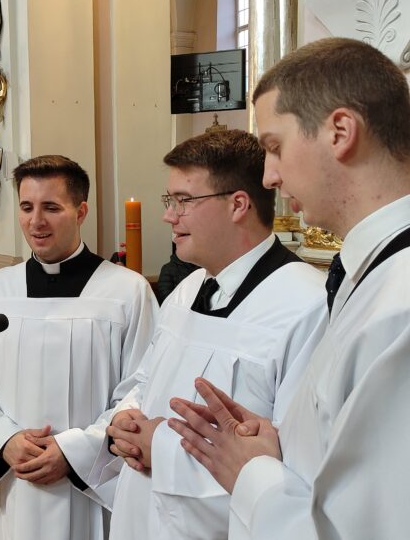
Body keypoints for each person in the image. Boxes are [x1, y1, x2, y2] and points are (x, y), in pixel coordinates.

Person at [167, 37, 410, 540]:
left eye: (275, 147)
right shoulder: (385, 279)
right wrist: (283, 445)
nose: (269, 176)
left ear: (340, 132)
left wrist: (251, 474)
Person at [101, 130, 327, 540]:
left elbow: (294, 465)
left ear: (238, 204)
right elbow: (145, 381)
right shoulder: (187, 290)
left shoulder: (306, 305)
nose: (169, 216)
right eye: (169, 201)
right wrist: (125, 419)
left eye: (183, 201)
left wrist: (161, 449)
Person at [0, 155, 159, 540]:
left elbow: (144, 388)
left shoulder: (127, 292)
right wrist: (4, 440)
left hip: (92, 487)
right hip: (16, 486)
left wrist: (75, 452)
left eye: (51, 208)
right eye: (26, 207)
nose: (36, 221)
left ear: (81, 212)